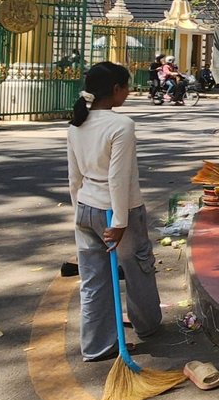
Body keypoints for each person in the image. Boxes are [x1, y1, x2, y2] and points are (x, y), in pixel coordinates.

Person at [66, 62, 162, 361]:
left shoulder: (76, 123)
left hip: (86, 207)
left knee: (94, 279)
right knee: (138, 267)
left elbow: (73, 177)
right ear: (117, 89)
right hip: (119, 211)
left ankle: (96, 346)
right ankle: (147, 326)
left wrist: (78, 211)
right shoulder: (121, 125)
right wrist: (119, 222)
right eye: (127, 86)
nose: (129, 92)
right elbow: (118, 178)